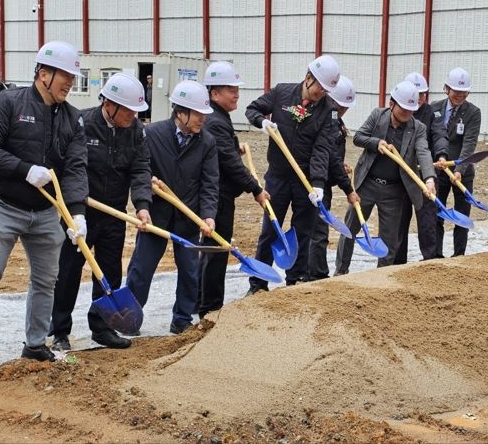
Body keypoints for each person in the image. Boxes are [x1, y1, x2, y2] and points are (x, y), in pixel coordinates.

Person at [0, 41, 88, 379]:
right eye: (65, 77)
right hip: (3, 203)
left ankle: (34, 344)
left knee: (47, 279)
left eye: (72, 79)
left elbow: (75, 168)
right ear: (43, 74)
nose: (69, 84)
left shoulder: (73, 119)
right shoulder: (8, 102)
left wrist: (77, 213)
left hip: (46, 212)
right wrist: (24, 169)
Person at [50, 73, 152, 352]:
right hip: (78, 213)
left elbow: (141, 169)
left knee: (109, 273)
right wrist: (76, 211)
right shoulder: (81, 124)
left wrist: (142, 205)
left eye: (136, 110)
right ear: (109, 103)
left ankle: (102, 327)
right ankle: (59, 330)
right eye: (129, 110)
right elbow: (74, 168)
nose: (133, 115)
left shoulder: (136, 131)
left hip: (114, 214)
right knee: (68, 273)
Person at [125, 80, 217, 334]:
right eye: (198, 113)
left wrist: (208, 215)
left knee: (189, 271)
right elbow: (140, 173)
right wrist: (143, 203)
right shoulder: (152, 135)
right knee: (141, 269)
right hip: (156, 216)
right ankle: (130, 317)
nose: (202, 120)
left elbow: (210, 183)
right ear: (180, 112)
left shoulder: (207, 142)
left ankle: (182, 319)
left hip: (188, 217)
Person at [244, 55, 340, 295]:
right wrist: (262, 123)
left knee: (302, 232)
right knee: (269, 230)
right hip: (277, 177)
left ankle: (293, 282)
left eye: (327, 90)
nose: (322, 93)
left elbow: (322, 149)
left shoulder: (328, 111)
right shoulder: (281, 93)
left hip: (304, 181)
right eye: (320, 87)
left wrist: (317, 184)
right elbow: (252, 109)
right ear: (308, 78)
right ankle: (258, 284)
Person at [335, 80, 436, 273]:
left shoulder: (418, 128)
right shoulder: (377, 116)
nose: (407, 114)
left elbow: (423, 152)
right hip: (368, 184)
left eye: (411, 110)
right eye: (403, 109)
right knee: (350, 228)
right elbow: (358, 138)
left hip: (394, 190)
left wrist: (429, 179)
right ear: (392, 104)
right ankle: (340, 271)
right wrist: (376, 143)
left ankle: (383, 274)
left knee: (389, 237)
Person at [198, 61, 269, 318]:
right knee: (217, 251)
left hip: (217, 192)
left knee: (212, 249)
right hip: (217, 196)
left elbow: (222, 151)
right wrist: (256, 189)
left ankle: (202, 301)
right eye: (230, 89)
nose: (236, 94)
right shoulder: (215, 120)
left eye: (236, 89)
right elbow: (229, 164)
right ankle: (210, 307)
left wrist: (232, 145)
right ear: (214, 93)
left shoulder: (217, 116)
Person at [307, 75, 360, 281]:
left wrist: (340, 165)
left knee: (316, 230)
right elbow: (328, 156)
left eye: (345, 108)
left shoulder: (335, 123)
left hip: (323, 181)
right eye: (340, 107)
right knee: (318, 232)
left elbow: (333, 157)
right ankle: (316, 275)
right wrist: (348, 188)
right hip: (317, 185)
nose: (342, 111)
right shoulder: (327, 123)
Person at [394, 72, 448, 264]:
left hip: (426, 175)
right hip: (400, 175)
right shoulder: (396, 113)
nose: (419, 99)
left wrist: (441, 155)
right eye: (416, 95)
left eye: (423, 94)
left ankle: (430, 260)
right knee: (399, 220)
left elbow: (440, 134)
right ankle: (396, 262)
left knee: (427, 221)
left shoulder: (432, 114)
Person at [430, 67, 481, 257]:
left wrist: (459, 169)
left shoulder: (473, 113)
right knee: (436, 214)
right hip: (438, 170)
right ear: (446, 89)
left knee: (461, 217)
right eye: (456, 91)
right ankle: (436, 255)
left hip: (462, 173)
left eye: (464, 92)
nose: (460, 95)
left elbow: (469, 143)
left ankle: (459, 256)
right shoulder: (434, 108)